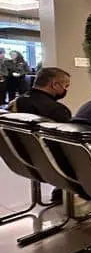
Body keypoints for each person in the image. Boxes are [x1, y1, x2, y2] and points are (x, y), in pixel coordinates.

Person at [14, 67, 72, 203]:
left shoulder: (20, 101)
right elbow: (70, 141)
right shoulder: (56, 110)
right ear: (55, 85)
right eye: (66, 86)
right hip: (51, 160)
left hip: (23, 155)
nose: (66, 90)